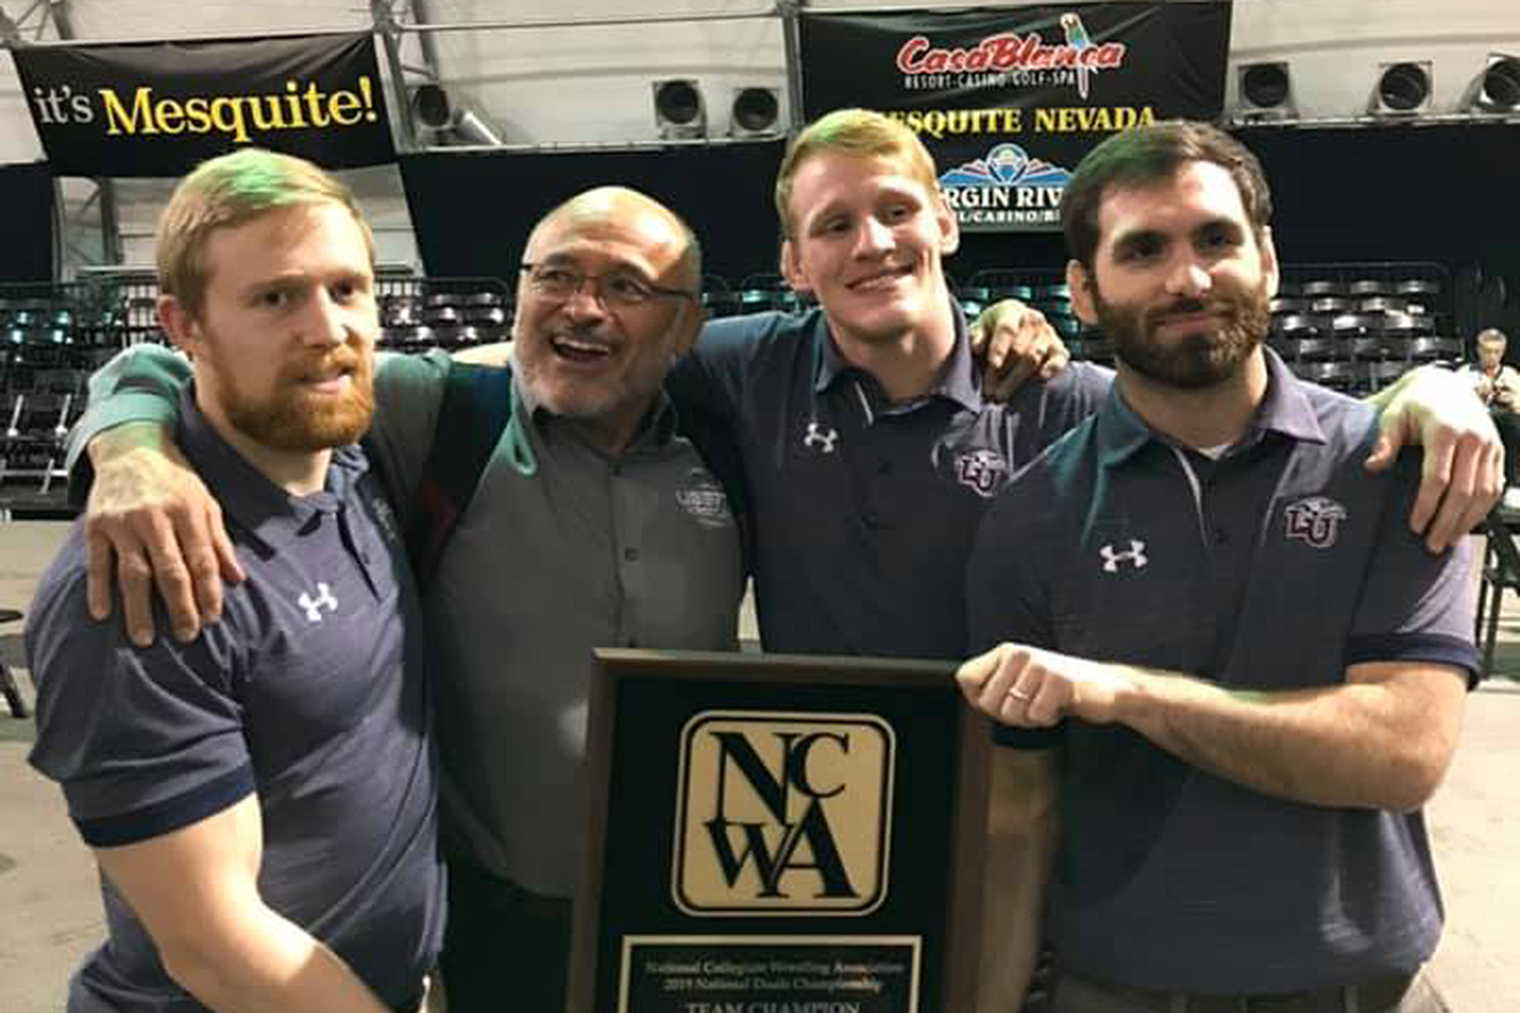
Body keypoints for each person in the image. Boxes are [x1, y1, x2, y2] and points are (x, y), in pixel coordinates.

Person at [71, 112, 1499, 1009]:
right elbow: (204, 355)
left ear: (949, 225)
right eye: (831, 225)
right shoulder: (653, 383)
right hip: (664, 885)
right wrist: (130, 441)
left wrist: (1425, 387)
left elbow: (1220, 379)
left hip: (1002, 864)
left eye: (895, 212)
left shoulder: (1053, 395)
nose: (588, 309)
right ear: (793, 268)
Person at [958, 120, 1478, 1013]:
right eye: (1144, 249)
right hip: (1117, 986)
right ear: (1083, 291)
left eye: (1216, 239)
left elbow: (1401, 752)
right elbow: (1018, 817)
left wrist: (1124, 692)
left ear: (1267, 259)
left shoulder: (1394, 466)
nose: (1188, 278)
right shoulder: (1030, 515)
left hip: (1362, 988)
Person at [25, 149, 444, 1012]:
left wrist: (126, 428)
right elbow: (215, 949)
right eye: (275, 297)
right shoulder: (146, 572)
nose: (326, 328)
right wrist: (130, 446)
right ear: (182, 326)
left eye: (348, 288)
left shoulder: (356, 461)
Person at [1459, 326, 1520, 506]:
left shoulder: (1511, 375)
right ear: (1478, 350)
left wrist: (1511, 400)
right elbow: (1453, 405)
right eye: (1487, 351)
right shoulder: (1465, 374)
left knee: (1513, 424)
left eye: (1496, 352)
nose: (1492, 356)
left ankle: (1512, 485)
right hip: (1475, 422)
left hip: (1506, 423)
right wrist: (1476, 397)